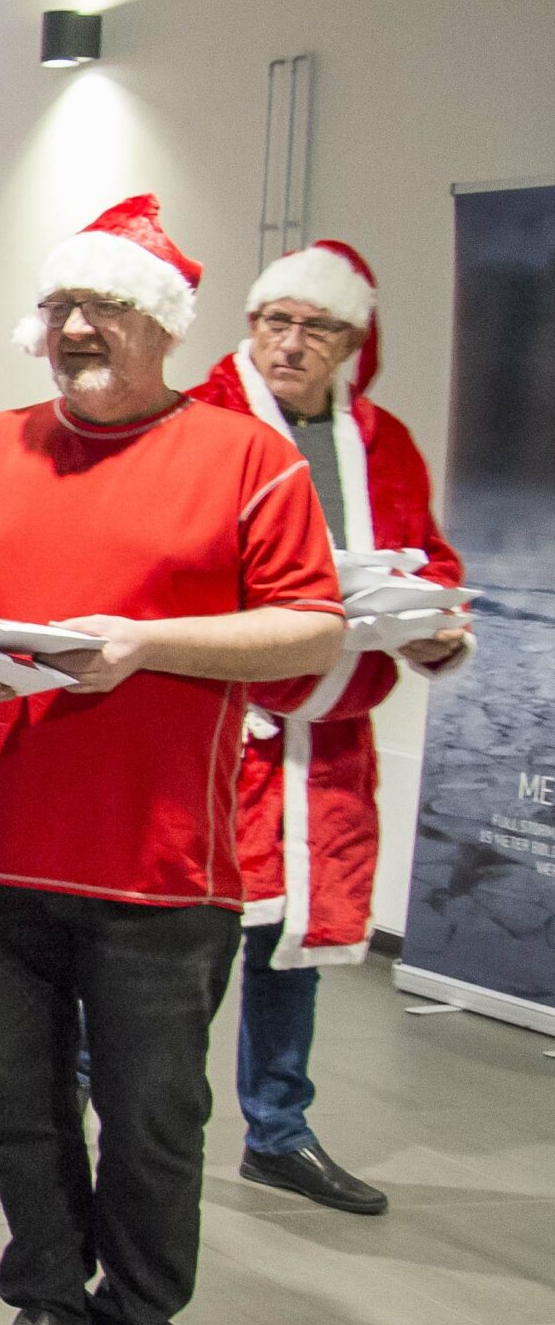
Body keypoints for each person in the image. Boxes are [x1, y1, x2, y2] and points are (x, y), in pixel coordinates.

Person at [0, 195, 344, 1325]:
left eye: (105, 309)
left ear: (165, 329)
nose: (75, 328)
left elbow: (307, 623)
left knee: (152, 1111)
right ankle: (47, 1306)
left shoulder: (247, 460)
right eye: (61, 308)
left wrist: (144, 645)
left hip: (162, 865)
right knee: (15, 1100)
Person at [187, 241, 471, 1216]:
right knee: (176, 935)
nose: (290, 345)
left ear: (353, 342)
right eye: (275, 320)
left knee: (289, 944)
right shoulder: (197, 424)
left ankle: (277, 1129)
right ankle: (122, 1107)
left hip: (327, 743)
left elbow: (425, 556)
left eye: (317, 328)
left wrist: (426, 619)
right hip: (213, 729)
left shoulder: (379, 439)